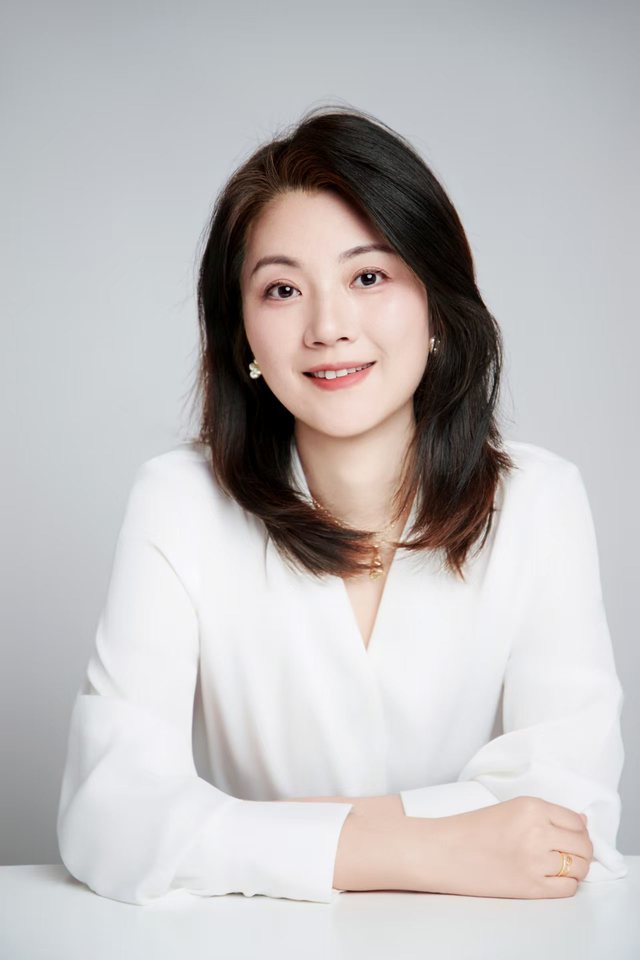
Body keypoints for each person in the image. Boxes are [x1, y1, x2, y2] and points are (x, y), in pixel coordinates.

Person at [56, 105, 626, 906]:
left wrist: (252, 833)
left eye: (368, 277)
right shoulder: (179, 502)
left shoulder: (538, 502)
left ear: (435, 301)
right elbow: (108, 815)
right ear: (243, 337)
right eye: (283, 289)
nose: (328, 327)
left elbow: (569, 818)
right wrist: (421, 847)